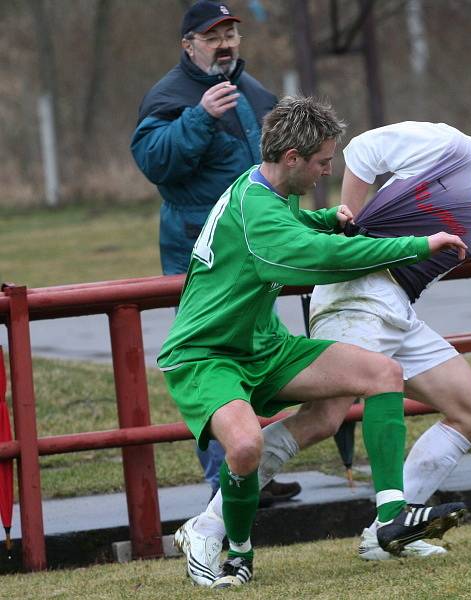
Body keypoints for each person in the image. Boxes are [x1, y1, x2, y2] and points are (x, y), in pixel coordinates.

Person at [187, 98, 471, 567]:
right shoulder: (448, 147)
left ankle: (385, 534)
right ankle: (208, 526)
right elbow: (363, 152)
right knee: (324, 417)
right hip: (353, 294)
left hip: (397, 308)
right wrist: (349, 227)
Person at [162, 95, 469, 588]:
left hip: (264, 347)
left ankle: (391, 514)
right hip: (206, 355)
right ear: (292, 159)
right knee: (244, 448)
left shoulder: (267, 190)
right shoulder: (259, 209)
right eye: (324, 162)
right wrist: (418, 245)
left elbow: (293, 229)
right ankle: (228, 547)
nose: (328, 172)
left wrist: (323, 218)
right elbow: (326, 258)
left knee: (381, 373)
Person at [130, 0, 299, 505]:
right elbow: (155, 163)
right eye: (212, 36)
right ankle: (220, 485)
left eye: (231, 34)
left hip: (253, 256)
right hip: (198, 257)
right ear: (189, 45)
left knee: (254, 357)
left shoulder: (255, 92)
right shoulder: (169, 96)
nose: (224, 43)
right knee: (210, 369)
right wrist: (199, 119)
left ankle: (250, 474)